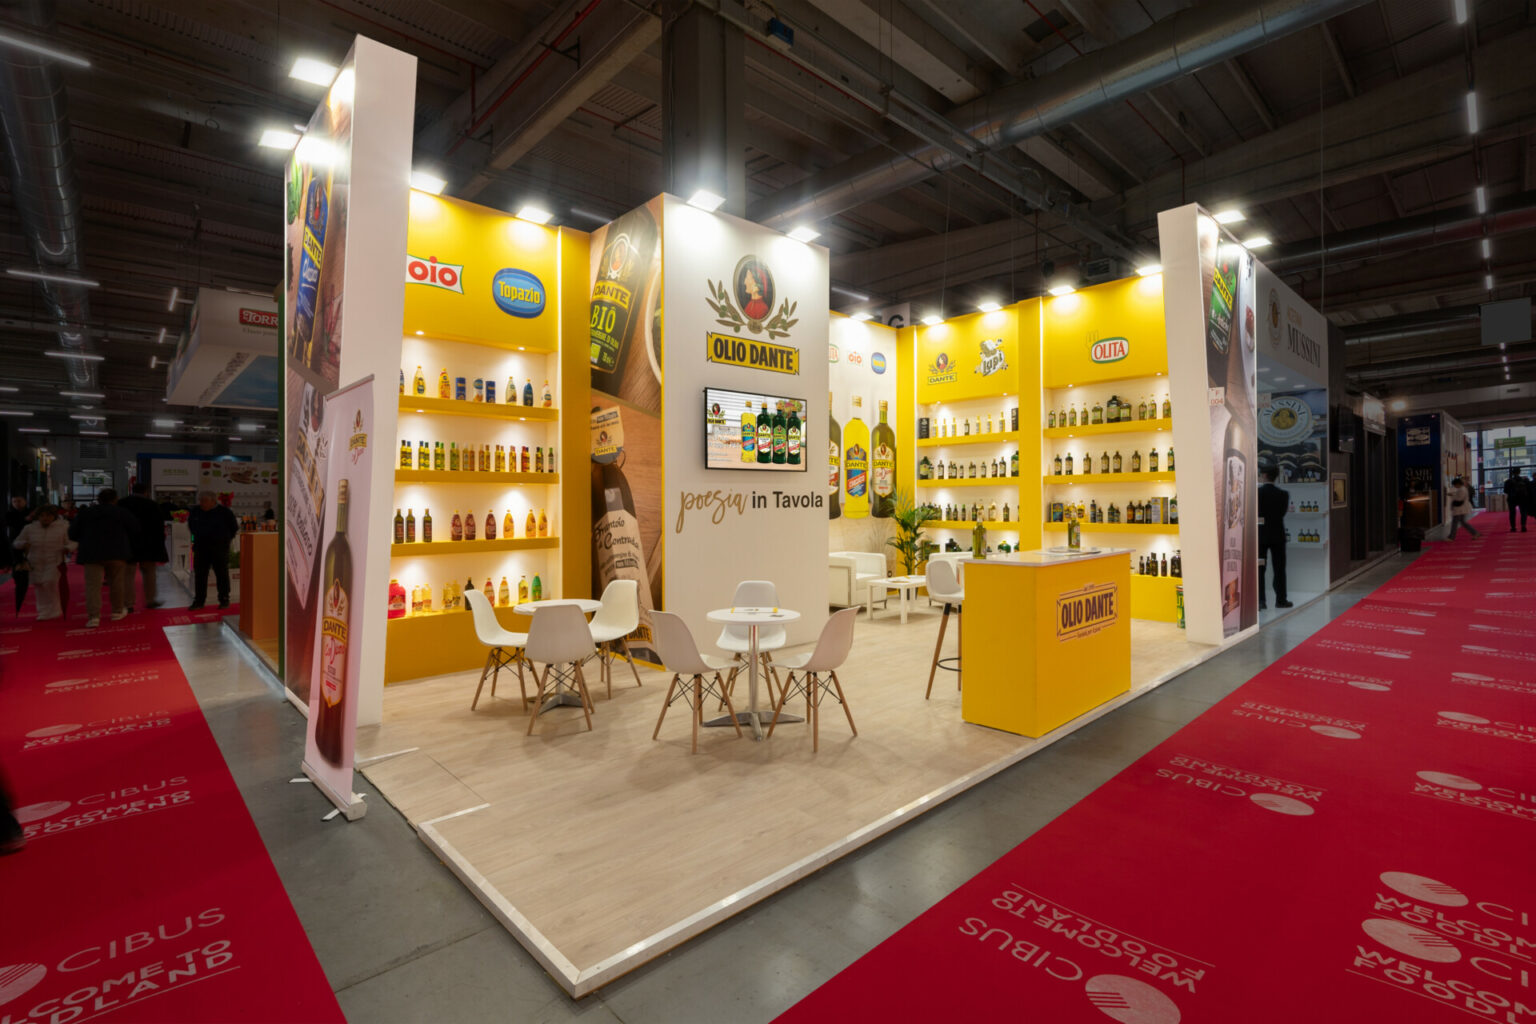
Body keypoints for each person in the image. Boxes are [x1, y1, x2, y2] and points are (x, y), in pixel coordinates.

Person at [68, 488, 137, 626]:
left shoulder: (86, 513)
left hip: (92, 553)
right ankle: (117, 612)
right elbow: (135, 529)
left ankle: (94, 617)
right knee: (117, 583)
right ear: (115, 499)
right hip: (117, 553)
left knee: (93, 586)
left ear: (98, 499)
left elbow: (72, 533)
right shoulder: (121, 512)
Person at [12, 506, 73, 620]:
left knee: (50, 583)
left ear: (54, 516)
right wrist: (23, 544)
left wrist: (67, 548)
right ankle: (43, 611)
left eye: (48, 515)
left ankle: (55, 609)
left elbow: (71, 542)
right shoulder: (29, 528)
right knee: (39, 585)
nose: (45, 518)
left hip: (55, 560)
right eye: (42, 516)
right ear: (38, 517)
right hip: (35, 561)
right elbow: (16, 542)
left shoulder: (63, 527)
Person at [119, 482, 169, 610]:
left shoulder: (122, 503)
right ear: (146, 492)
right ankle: (150, 600)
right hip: (148, 545)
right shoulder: (152, 505)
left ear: (132, 490)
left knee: (128, 575)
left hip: (127, 544)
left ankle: (128, 603)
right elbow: (159, 527)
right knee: (149, 573)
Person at [188, 490, 238, 609]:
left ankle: (224, 599)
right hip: (201, 548)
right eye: (200, 501)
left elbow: (234, 528)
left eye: (204, 501)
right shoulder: (195, 511)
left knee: (222, 574)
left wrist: (224, 540)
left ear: (213, 501)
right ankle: (199, 600)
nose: (202, 503)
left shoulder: (225, 512)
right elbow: (191, 525)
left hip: (219, 548)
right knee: (200, 575)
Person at [1257, 465, 1292, 609]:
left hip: (1260, 536)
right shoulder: (1283, 494)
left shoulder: (1257, 493)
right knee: (1279, 568)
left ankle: (1261, 601)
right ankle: (1281, 600)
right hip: (1278, 535)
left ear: (1263, 475)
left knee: (1259, 569)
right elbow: (1282, 514)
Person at [4, 495, 32, 569]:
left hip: (29, 540)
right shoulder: (9, 513)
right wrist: (24, 519)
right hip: (15, 539)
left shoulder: (30, 512)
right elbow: (10, 523)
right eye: (14, 501)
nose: (17, 503)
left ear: (25, 501)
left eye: (19, 501)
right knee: (17, 564)